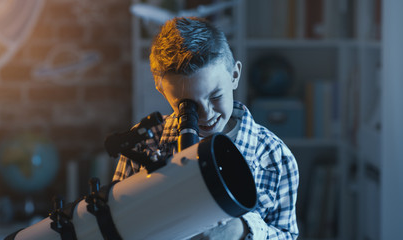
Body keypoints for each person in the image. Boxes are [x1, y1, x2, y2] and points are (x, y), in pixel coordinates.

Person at [113, 17, 299, 240]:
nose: (206, 114)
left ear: (235, 75)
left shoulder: (275, 157)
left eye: (216, 96)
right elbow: (118, 222)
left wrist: (242, 231)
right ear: (161, 89)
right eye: (187, 106)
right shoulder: (144, 145)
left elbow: (286, 235)